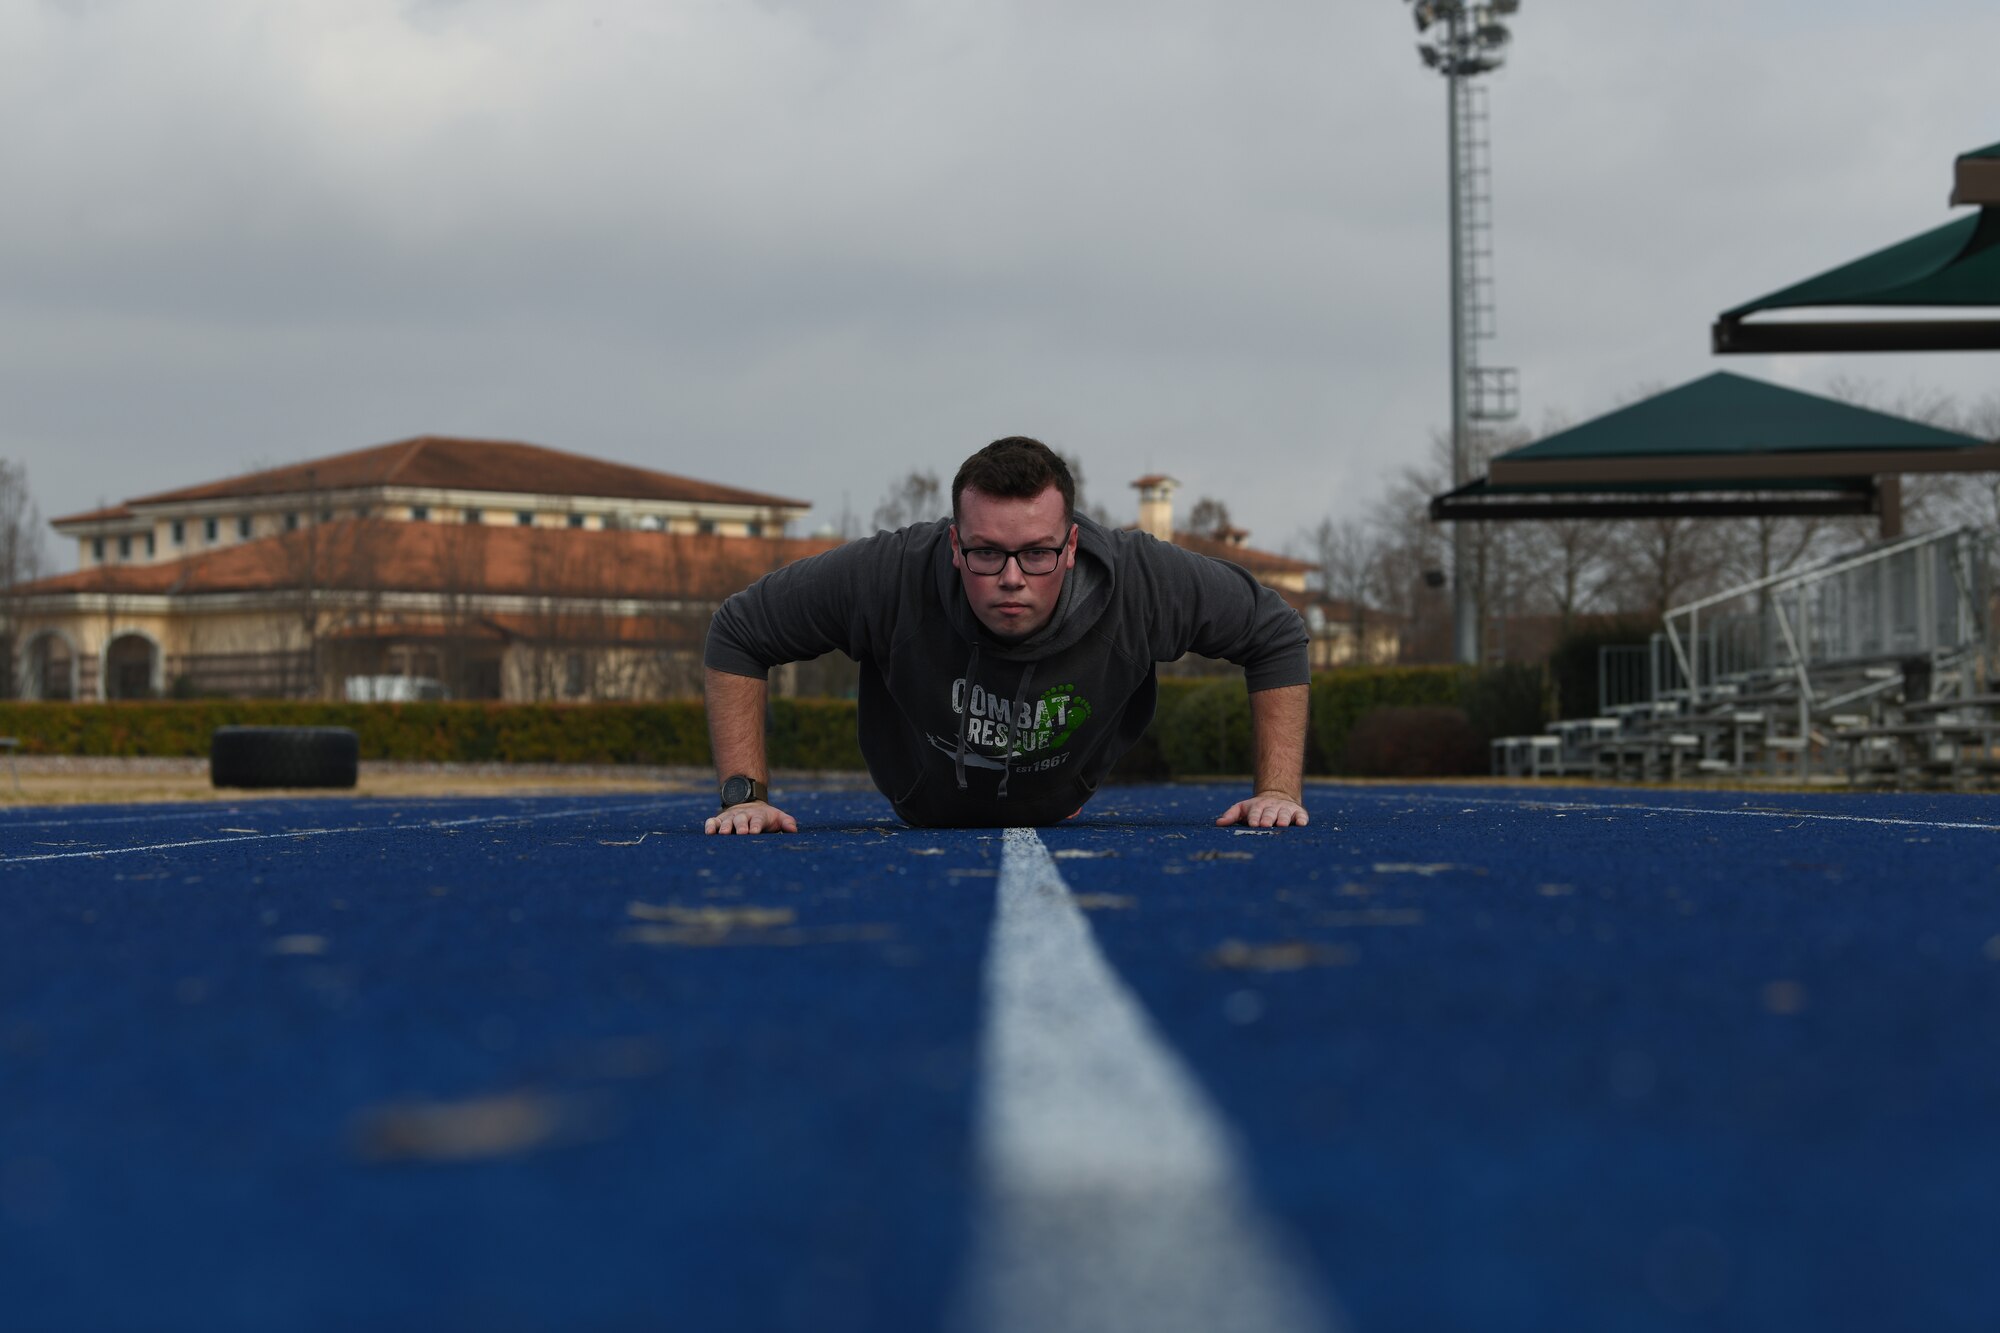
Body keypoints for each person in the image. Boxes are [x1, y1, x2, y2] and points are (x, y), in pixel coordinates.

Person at [701, 436, 1311, 833]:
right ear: (954, 545)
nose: (1012, 579)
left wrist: (1277, 790)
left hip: (1061, 800)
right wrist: (743, 795)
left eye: (1037, 553)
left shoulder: (1144, 580)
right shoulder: (886, 575)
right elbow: (739, 631)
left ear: (1072, 546)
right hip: (923, 806)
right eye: (987, 553)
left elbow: (1276, 635)